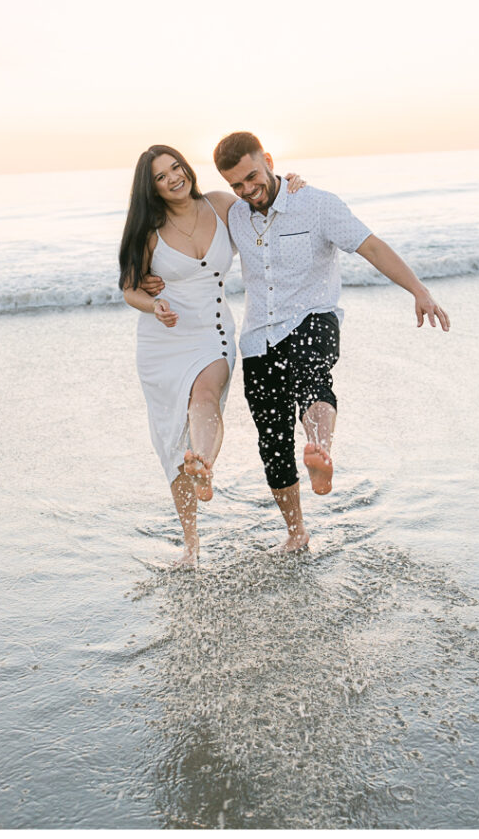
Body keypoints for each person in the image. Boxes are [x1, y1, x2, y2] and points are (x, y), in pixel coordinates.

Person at [208, 131, 451, 554]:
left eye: (252, 177)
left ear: (267, 159)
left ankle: (320, 447)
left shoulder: (317, 204)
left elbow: (371, 246)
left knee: (313, 379)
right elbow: (188, 207)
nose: (248, 190)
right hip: (257, 340)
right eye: (237, 186)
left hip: (312, 318)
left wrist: (419, 290)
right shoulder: (235, 215)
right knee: (273, 440)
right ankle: (296, 532)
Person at [119, 145, 305, 568]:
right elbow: (130, 288)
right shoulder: (147, 230)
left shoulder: (221, 205)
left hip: (214, 332)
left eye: (175, 167)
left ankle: (202, 462)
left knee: (206, 395)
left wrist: (292, 186)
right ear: (151, 188)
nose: (173, 178)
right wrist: (154, 305)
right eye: (161, 176)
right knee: (170, 438)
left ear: (186, 168)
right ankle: (191, 544)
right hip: (162, 341)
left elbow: (265, 205)